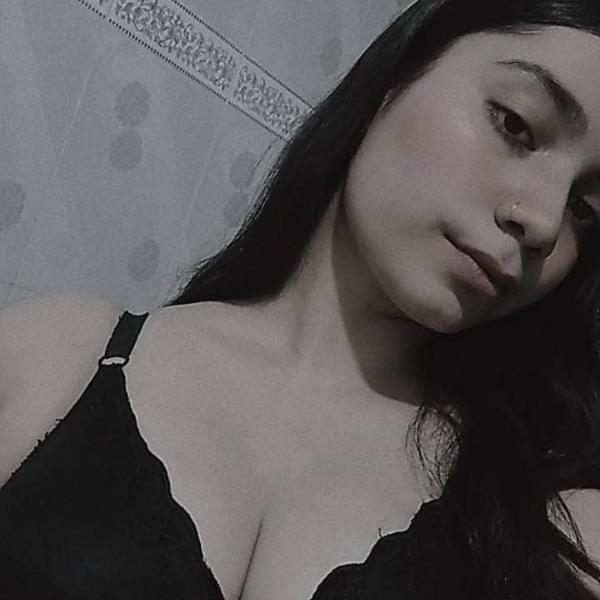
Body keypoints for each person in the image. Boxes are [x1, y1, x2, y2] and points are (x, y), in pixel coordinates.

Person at [2, 0, 600, 597]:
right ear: (397, 76)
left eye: (584, 207)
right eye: (516, 124)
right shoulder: (55, 357)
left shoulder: (554, 528)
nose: (546, 222)